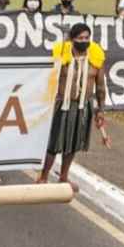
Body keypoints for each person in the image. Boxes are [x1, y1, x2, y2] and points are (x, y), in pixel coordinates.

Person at [38, 23, 107, 184]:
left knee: (73, 144)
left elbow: (100, 86)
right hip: (61, 105)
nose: (84, 41)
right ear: (71, 39)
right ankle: (43, 176)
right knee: (54, 143)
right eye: (80, 38)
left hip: (83, 107)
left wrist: (100, 109)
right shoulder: (61, 55)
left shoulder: (96, 58)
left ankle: (63, 177)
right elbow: (46, 80)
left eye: (87, 38)